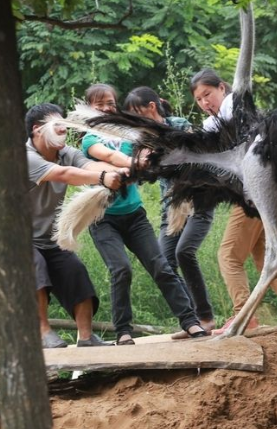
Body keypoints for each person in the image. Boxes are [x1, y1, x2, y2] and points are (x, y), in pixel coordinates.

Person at [190, 69, 277, 334]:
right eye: (199, 100)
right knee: (263, 257)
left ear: (222, 89)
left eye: (208, 94)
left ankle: (244, 316)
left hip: (254, 192)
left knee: (228, 256)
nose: (205, 103)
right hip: (264, 192)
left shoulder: (233, 107)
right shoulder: (222, 117)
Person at [81, 83, 208, 345]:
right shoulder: (89, 140)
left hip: (134, 216)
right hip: (102, 218)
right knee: (121, 270)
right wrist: (134, 163)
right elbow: (107, 156)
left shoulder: (131, 135)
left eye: (110, 104)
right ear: (88, 108)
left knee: (161, 267)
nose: (106, 108)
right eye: (99, 104)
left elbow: (147, 152)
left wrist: (147, 157)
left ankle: (191, 322)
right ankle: (124, 331)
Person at [25, 102, 125, 348]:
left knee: (76, 271)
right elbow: (64, 174)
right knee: (35, 268)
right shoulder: (25, 157)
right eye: (57, 126)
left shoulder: (67, 152)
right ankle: (42, 332)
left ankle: (86, 338)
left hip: (50, 239)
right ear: (37, 130)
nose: (63, 130)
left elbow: (89, 166)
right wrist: (104, 178)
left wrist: (126, 170)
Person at [123, 86, 217, 337]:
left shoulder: (178, 124)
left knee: (184, 251)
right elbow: (144, 177)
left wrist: (159, 153)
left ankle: (205, 317)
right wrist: (140, 165)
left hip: (198, 200)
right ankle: (192, 320)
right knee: (163, 262)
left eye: (137, 113)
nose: (135, 120)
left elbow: (192, 157)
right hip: (171, 209)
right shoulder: (141, 139)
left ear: (151, 107)